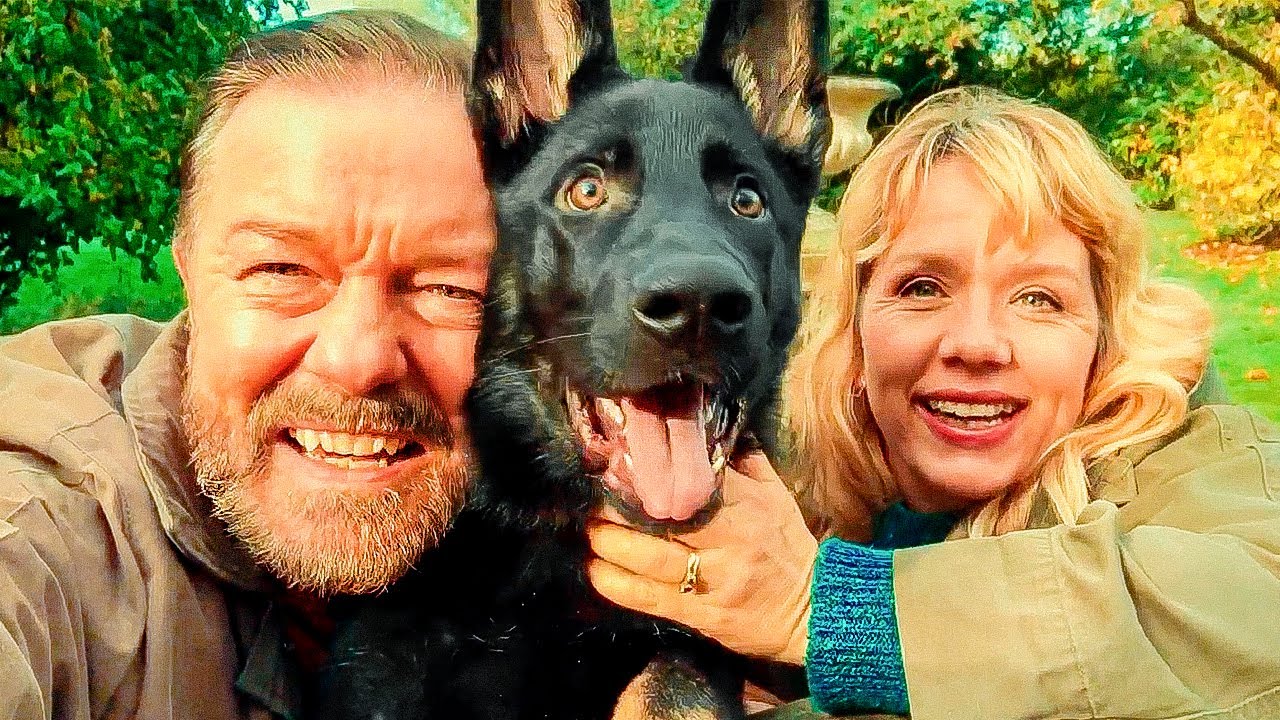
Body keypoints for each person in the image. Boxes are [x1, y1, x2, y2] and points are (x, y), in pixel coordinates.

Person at [587, 87, 1280, 719]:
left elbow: (1254, 618)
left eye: (1039, 298)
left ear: (1103, 339)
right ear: (855, 333)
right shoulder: (779, 476)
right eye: (922, 288)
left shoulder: (1194, 453)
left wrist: (830, 611)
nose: (977, 344)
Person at [0, 11, 495, 718]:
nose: (357, 361)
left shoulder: (589, 513)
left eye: (453, 289)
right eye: (281, 269)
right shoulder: (48, 525)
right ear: (188, 275)